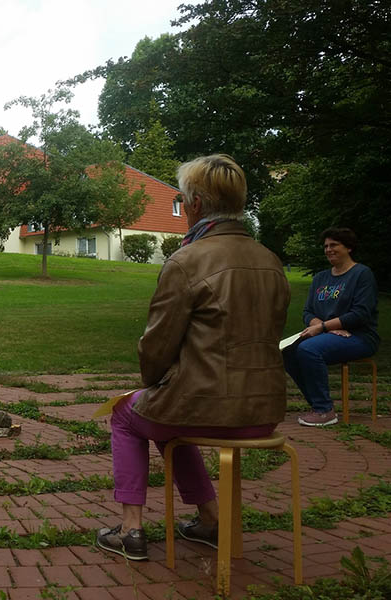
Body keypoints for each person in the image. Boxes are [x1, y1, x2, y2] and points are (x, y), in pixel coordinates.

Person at [96, 155, 290, 561]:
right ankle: (210, 518)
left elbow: (156, 349)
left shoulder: (186, 261)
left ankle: (131, 529)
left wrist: (152, 380)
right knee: (168, 420)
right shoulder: (271, 261)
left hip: (205, 406)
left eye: (183, 202)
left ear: (197, 205)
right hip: (263, 412)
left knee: (126, 414)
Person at [283, 228, 380, 427]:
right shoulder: (320, 278)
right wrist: (325, 328)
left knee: (309, 349)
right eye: (326, 246)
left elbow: (360, 314)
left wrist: (324, 327)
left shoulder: (362, 274)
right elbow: (307, 312)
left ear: (349, 247)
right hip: (329, 333)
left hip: (360, 336)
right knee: (289, 350)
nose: (328, 249)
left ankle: (324, 410)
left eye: (334, 245)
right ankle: (317, 404)